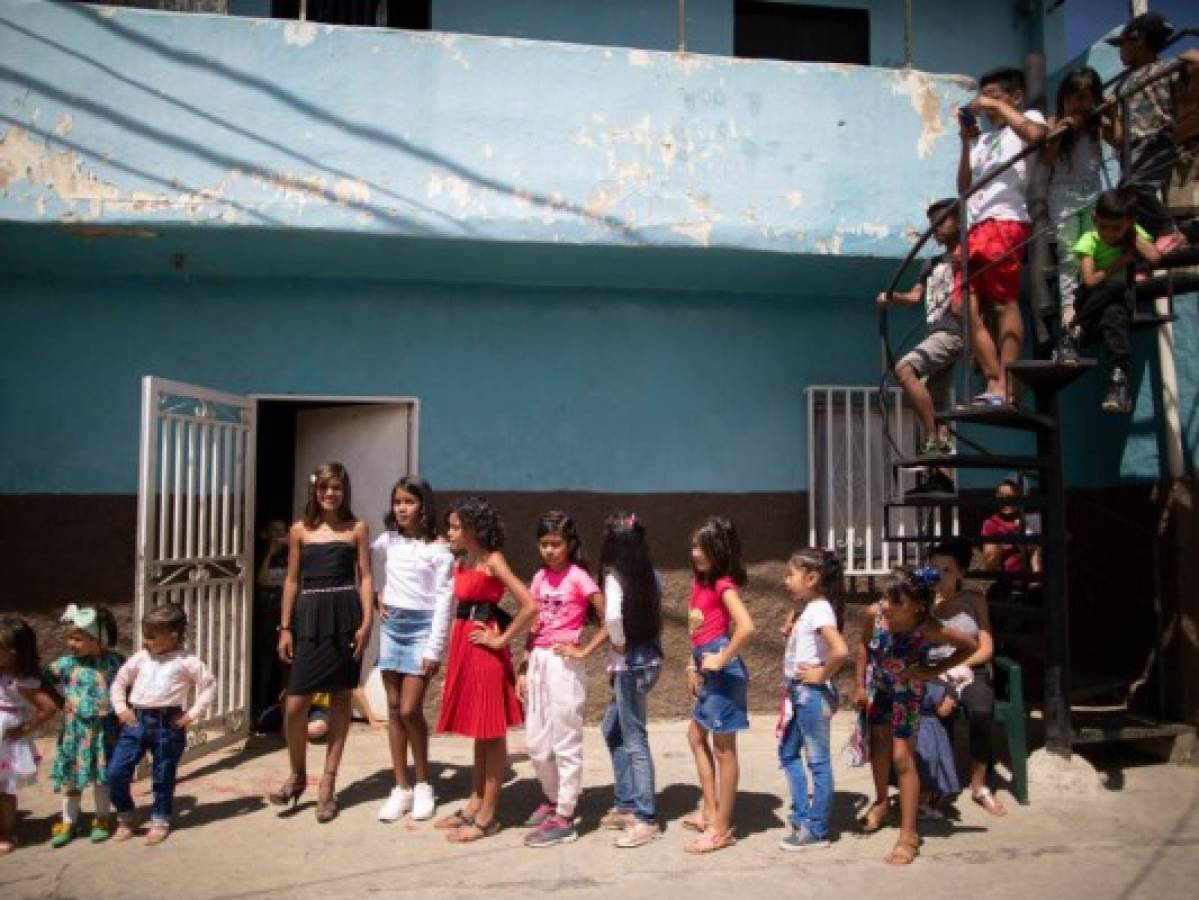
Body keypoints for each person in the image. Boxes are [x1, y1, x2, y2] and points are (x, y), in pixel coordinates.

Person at [270, 462, 373, 823]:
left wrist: (366, 621)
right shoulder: (300, 531)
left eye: (337, 488)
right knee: (295, 703)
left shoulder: (357, 528)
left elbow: (365, 577)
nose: (331, 494)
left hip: (345, 616)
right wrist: (285, 627)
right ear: (315, 491)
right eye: (325, 488)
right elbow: (293, 580)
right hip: (310, 617)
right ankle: (298, 774)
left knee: (342, 697)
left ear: (345, 490)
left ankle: (328, 783)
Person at [854, 567, 976, 866]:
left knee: (902, 757)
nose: (887, 606)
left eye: (897, 602)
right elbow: (863, 646)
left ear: (918, 606)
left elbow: (969, 646)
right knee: (879, 748)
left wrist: (932, 672)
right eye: (885, 598)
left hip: (908, 693)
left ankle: (909, 834)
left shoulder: (928, 627)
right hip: (880, 690)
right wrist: (859, 685)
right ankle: (882, 803)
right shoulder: (875, 614)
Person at [434, 496, 536, 843]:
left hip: (485, 653)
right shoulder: (463, 561)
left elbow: (529, 605)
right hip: (466, 647)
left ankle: (489, 815)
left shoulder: (493, 560)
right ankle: (474, 803)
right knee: (479, 733)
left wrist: (501, 638)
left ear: (473, 528)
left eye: (456, 526)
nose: (450, 532)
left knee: (492, 736)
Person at [958, 66, 1049, 406]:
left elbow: (1039, 135)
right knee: (965, 308)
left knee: (1002, 303)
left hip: (1005, 219)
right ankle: (995, 378)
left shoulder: (1027, 119)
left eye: (994, 97)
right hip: (976, 224)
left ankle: (1006, 386)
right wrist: (966, 145)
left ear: (1016, 97)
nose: (986, 106)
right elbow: (964, 187)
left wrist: (999, 108)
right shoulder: (983, 140)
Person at [518, 511, 606, 848]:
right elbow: (533, 625)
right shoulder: (539, 578)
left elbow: (608, 615)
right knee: (537, 744)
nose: (549, 550)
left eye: (556, 544)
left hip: (564, 665)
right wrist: (524, 666)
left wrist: (584, 650)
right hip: (539, 662)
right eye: (544, 544)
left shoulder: (579, 578)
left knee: (565, 741)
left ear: (569, 545)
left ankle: (566, 816)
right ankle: (553, 798)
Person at [371, 477, 454, 824]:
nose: (402, 508)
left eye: (409, 502)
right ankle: (401, 787)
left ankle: (422, 784)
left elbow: (444, 601)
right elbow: (369, 563)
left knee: (410, 709)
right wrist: (377, 592)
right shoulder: (387, 542)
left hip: (422, 629)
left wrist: (434, 649)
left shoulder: (438, 549)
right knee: (392, 709)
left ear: (424, 506)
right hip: (392, 628)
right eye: (397, 502)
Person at [108, 602, 217, 845]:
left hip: (167, 724)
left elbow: (209, 684)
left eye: (152, 637)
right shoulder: (140, 658)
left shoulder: (187, 661)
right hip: (136, 722)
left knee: (163, 774)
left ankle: (160, 819)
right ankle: (127, 816)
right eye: (145, 636)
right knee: (116, 772)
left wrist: (193, 713)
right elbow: (119, 682)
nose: (147, 642)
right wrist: (121, 707)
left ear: (173, 636)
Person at [682, 516, 756, 854]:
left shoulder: (723, 584)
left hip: (724, 675)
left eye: (704, 547)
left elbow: (746, 627)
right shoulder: (701, 581)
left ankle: (721, 828)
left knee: (724, 750)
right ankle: (710, 811)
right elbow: (698, 629)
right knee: (696, 736)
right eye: (695, 545)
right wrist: (692, 665)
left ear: (719, 550)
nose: (696, 552)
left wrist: (721, 659)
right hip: (706, 668)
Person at [1056, 188, 1163, 413]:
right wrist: (1123, 261)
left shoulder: (1130, 232)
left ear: (1129, 223)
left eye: (1117, 228)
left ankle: (1118, 381)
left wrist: (1132, 232)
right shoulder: (1089, 240)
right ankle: (1074, 329)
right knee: (1115, 285)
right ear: (1095, 220)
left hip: (1118, 302)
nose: (1110, 233)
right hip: (1090, 299)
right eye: (1104, 226)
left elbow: (1154, 256)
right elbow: (1090, 280)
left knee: (1114, 320)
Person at [877, 198, 964, 459]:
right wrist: (891, 298)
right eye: (931, 224)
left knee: (905, 369)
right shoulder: (931, 263)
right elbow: (915, 297)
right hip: (936, 333)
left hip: (954, 331)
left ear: (960, 222)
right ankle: (943, 450)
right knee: (934, 396)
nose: (934, 228)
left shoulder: (968, 256)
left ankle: (931, 436)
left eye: (941, 221)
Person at [597, 512, 664, 849]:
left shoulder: (614, 576)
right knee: (612, 729)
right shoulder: (651, 575)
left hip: (630, 666)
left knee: (634, 737)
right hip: (649, 661)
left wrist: (619, 642)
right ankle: (627, 802)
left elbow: (612, 617)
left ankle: (646, 817)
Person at [927, 538, 1006, 817]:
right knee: (935, 710)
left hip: (971, 669)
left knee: (982, 709)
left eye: (947, 570)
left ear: (961, 572)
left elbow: (986, 647)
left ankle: (979, 782)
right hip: (934, 672)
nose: (940, 576)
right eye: (934, 569)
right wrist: (926, 608)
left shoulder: (974, 600)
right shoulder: (922, 602)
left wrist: (956, 665)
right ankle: (938, 783)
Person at [776, 548, 848, 852]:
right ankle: (803, 815)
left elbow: (840, 650)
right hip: (798, 693)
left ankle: (816, 830)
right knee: (789, 754)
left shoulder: (819, 610)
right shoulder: (810, 609)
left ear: (812, 578)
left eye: (791, 574)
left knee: (818, 762)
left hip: (810, 694)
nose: (786, 580)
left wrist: (821, 674)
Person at [1107, 12, 1199, 248]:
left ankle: (1168, 229)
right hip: (1132, 147)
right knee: (1124, 201)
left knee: (1136, 188)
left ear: (1139, 41)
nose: (1120, 51)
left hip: (1157, 138)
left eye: (1123, 44)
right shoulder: (1121, 85)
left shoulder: (1169, 67)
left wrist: (1195, 63)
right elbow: (1118, 135)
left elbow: (1188, 93)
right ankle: (1146, 254)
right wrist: (1107, 118)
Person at [1042, 66, 1121, 319]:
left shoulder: (1098, 123)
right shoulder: (1053, 122)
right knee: (1068, 251)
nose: (1076, 104)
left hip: (1092, 195)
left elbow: (1120, 141)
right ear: (1063, 98)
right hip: (1062, 196)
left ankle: (1093, 302)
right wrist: (1060, 130)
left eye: (1084, 98)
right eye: (1071, 97)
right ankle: (1068, 307)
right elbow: (1047, 159)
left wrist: (1112, 114)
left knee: (1093, 248)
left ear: (1094, 98)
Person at [43, 604, 125, 846]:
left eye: (77, 639)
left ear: (98, 639)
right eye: (69, 638)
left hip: (104, 733)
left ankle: (102, 818)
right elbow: (40, 680)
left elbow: (128, 684)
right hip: (75, 733)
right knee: (72, 778)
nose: (71, 643)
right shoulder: (66, 664)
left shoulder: (115, 661)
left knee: (102, 777)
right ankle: (68, 821)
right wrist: (59, 702)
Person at [0, 617, 59, 855]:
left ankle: (7, 831)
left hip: (5, 738)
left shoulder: (22, 681)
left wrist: (23, 730)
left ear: (13, 653)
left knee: (5, 789)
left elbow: (48, 707)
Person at [252, 519, 290, 720]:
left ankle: (285, 712)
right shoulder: (260, 555)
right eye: (274, 531)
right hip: (267, 615)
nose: (278, 535)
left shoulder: (290, 556)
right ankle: (260, 709)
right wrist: (270, 553)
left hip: (286, 616)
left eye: (282, 531)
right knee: (265, 664)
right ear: (265, 534)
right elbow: (261, 580)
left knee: (286, 664)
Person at [981, 477, 1039, 575]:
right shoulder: (991, 523)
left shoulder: (1030, 519)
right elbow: (990, 566)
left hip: (1031, 578)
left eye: (1012, 497)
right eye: (1002, 497)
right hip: (1006, 580)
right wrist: (1006, 543)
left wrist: (1035, 543)